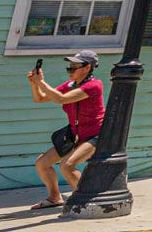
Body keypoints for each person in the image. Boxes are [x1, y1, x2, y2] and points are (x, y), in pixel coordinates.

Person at [27, 50, 104, 209]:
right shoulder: (70, 85)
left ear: (87, 67)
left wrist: (41, 82)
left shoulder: (94, 85)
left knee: (67, 166)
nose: (70, 71)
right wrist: (35, 85)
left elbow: (60, 99)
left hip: (95, 135)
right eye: (69, 68)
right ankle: (54, 197)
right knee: (42, 163)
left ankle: (86, 200)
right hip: (75, 134)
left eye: (73, 68)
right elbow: (40, 98)